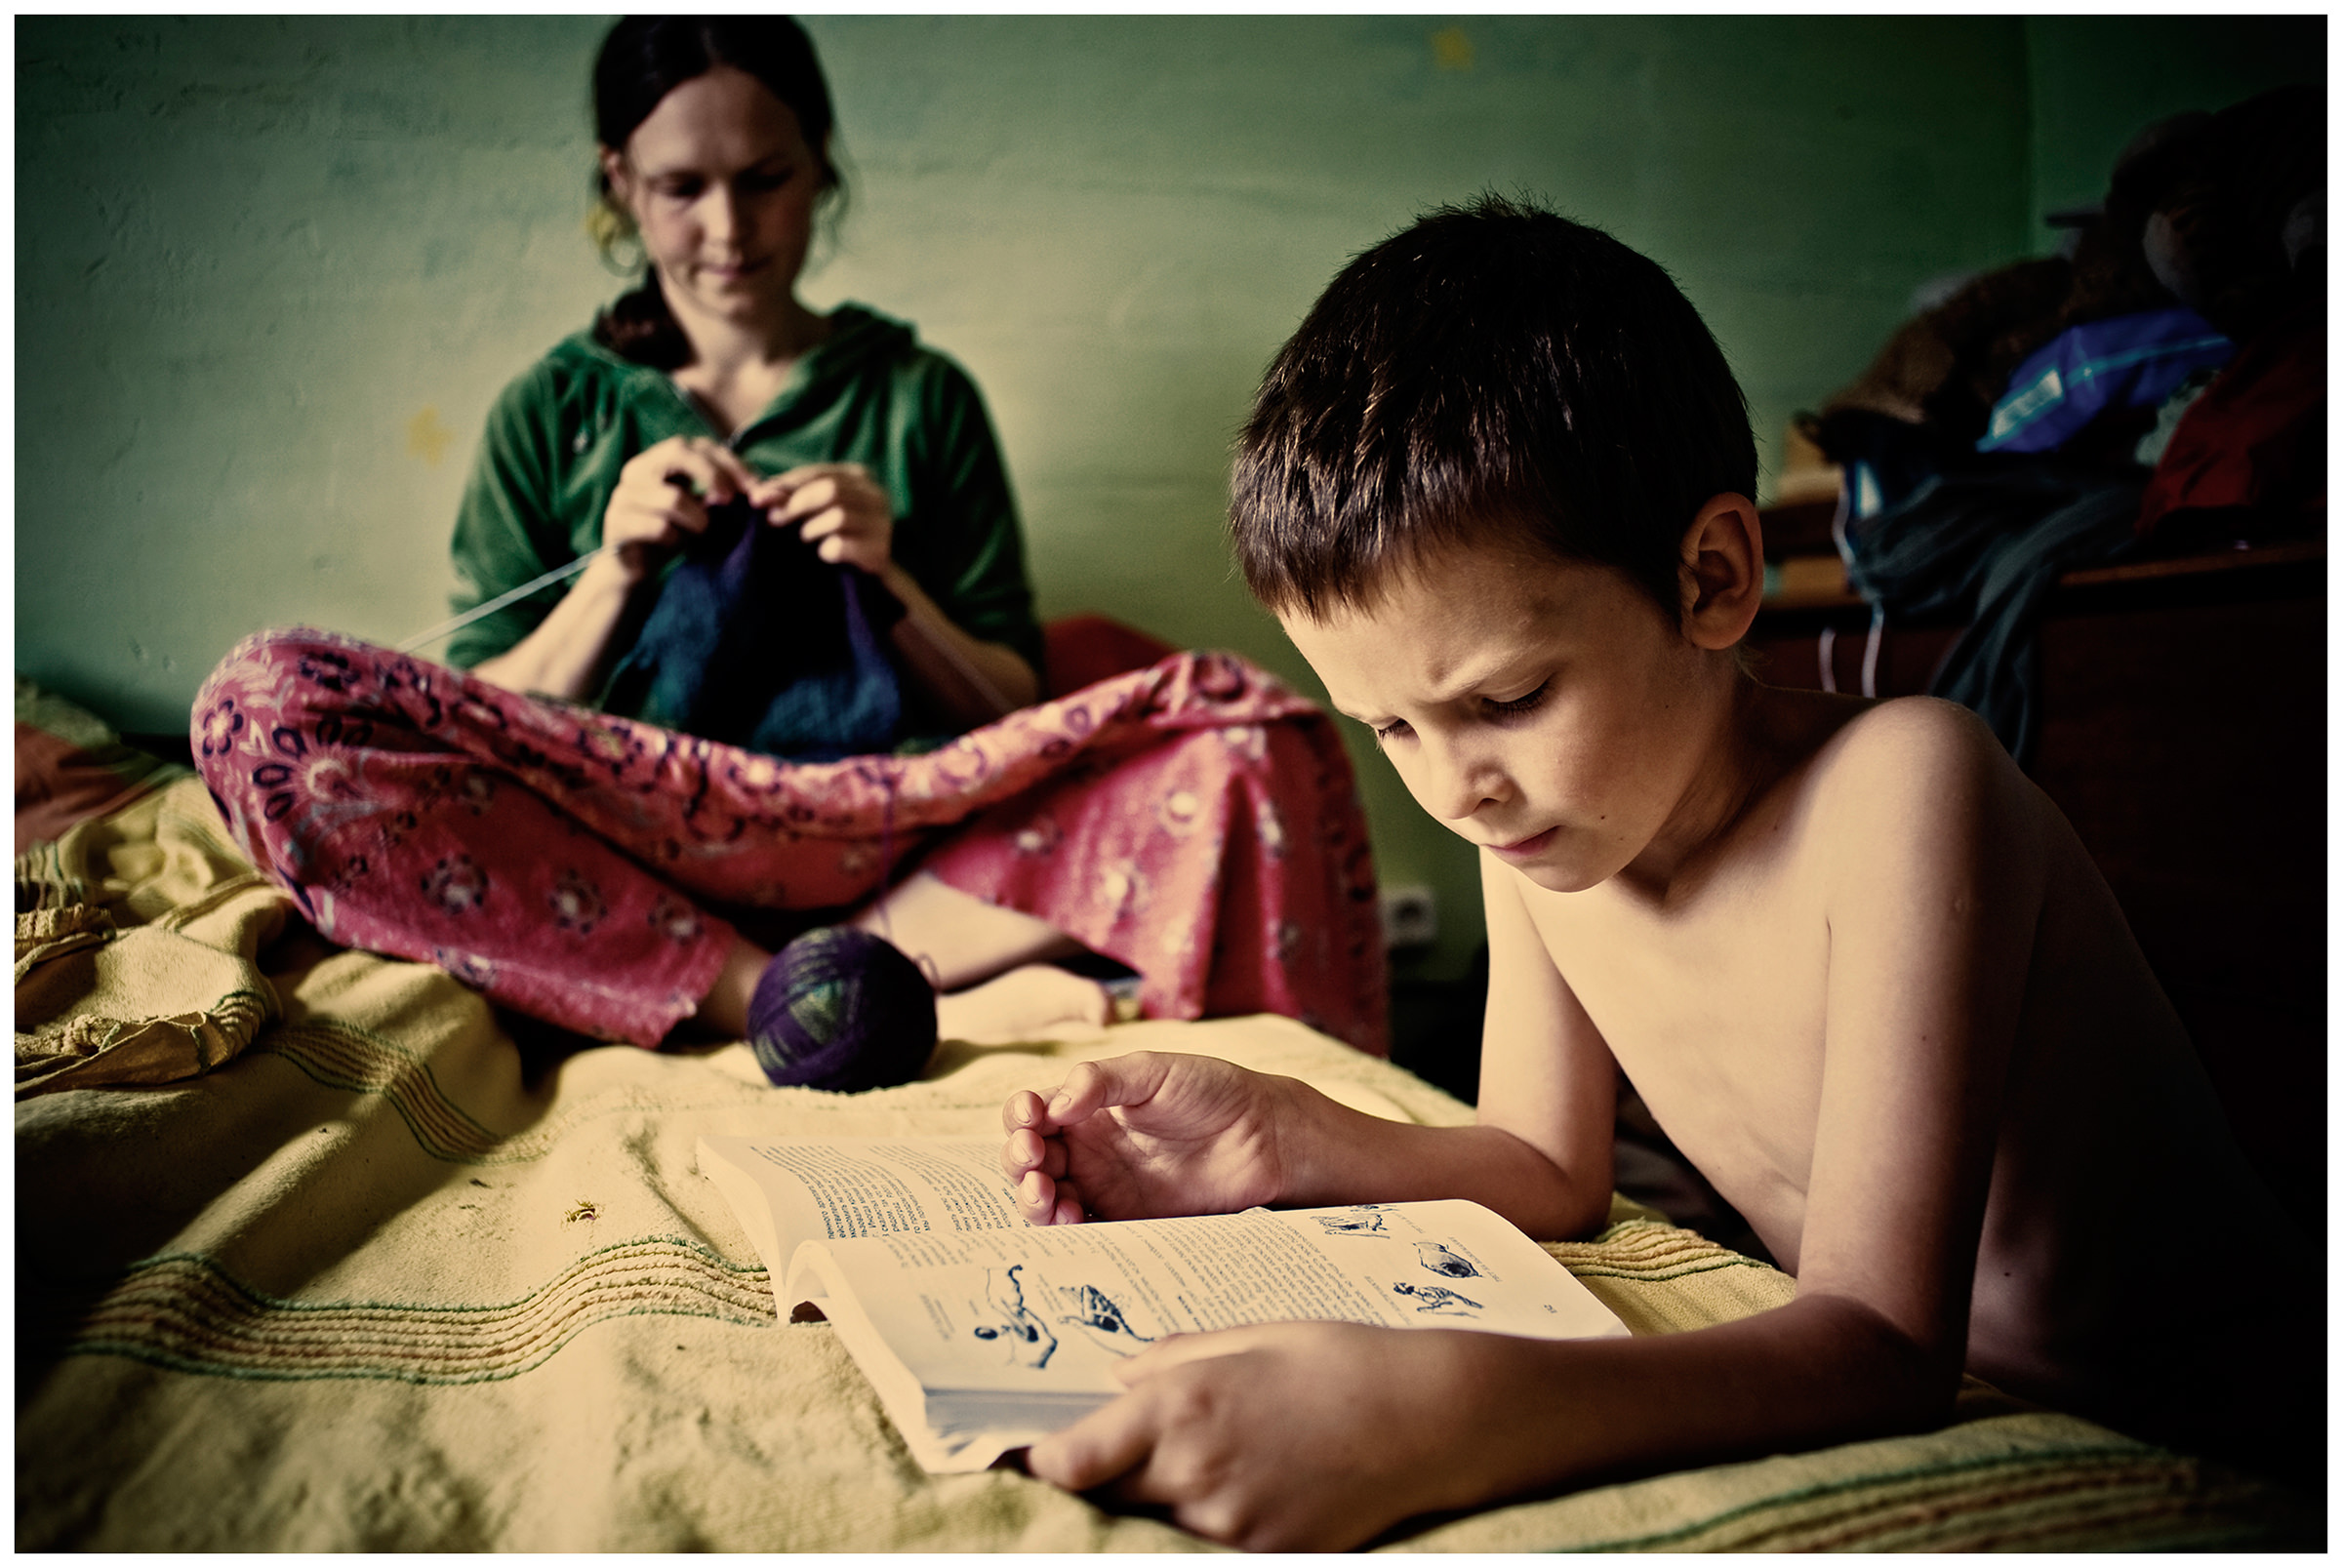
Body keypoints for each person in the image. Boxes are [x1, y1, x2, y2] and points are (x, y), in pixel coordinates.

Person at [998, 196, 2317, 1548]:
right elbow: (1547, 1165)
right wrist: (1280, 1134)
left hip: (2223, 1427)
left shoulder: (1905, 790)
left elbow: (1881, 1337)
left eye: (1508, 696)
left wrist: (1450, 1408)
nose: (1455, 787)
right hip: (1964, 1382)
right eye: (1393, 726)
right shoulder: (1540, 835)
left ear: (1712, 576)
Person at [192, 17, 1387, 1078]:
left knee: (1247, 740)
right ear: (620, 181)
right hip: (626, 851)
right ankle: (775, 990)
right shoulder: (551, 412)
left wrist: (889, 580)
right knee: (260, 703)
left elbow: (1009, 700)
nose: (727, 227)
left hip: (891, 835)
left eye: (764, 178)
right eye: (680, 187)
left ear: (820, 166)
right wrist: (614, 570)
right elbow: (482, 709)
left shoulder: (921, 398)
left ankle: (851, 968)